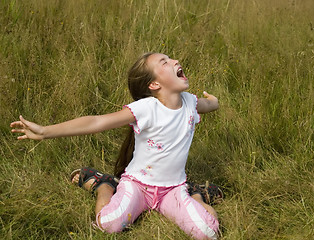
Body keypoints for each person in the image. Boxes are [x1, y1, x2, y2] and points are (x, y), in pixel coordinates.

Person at [10, 52, 220, 239]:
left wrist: (214, 100)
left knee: (208, 233)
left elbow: (209, 105)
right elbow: (96, 122)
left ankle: (194, 194)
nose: (175, 61)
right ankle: (105, 185)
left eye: (171, 58)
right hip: (139, 185)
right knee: (108, 225)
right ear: (154, 85)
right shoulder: (146, 109)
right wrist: (45, 131)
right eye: (164, 62)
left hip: (173, 188)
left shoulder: (190, 103)